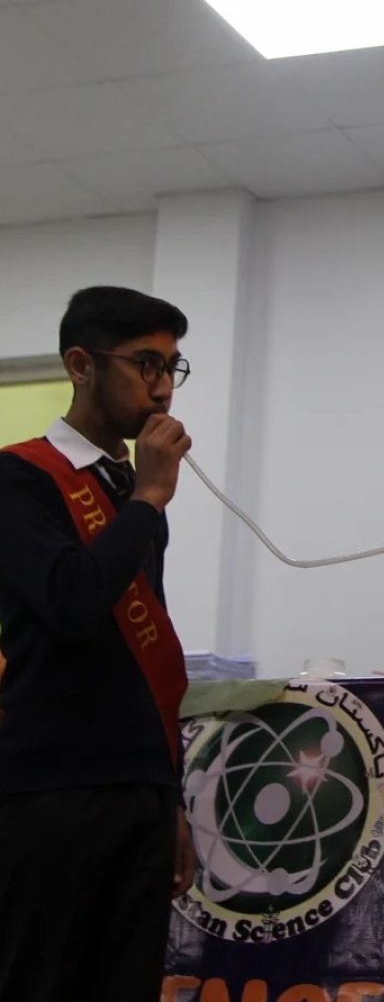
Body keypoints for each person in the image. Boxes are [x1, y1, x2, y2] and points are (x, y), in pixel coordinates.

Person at [0, 285, 196, 1002]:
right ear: (81, 364)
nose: (162, 388)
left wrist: (167, 795)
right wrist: (146, 499)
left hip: (137, 789)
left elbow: (146, 661)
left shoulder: (132, 490)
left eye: (172, 367)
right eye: (146, 364)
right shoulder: (19, 477)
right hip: (53, 790)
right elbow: (72, 602)